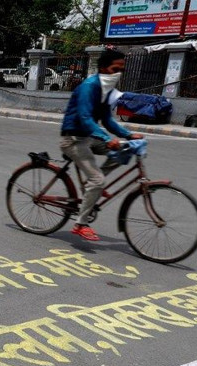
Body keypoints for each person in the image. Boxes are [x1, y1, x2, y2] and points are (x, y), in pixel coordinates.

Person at [60, 49, 144, 241]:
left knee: (124, 150)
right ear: (104, 68)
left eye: (122, 69)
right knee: (98, 180)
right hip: (72, 138)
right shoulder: (89, 87)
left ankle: (94, 184)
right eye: (115, 69)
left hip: (89, 138)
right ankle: (81, 223)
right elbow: (85, 118)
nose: (119, 73)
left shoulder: (107, 90)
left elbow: (107, 120)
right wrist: (107, 139)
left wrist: (128, 135)